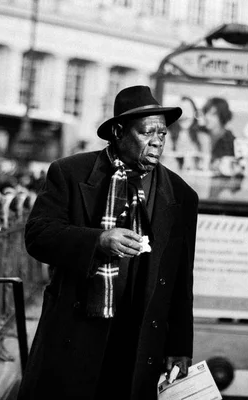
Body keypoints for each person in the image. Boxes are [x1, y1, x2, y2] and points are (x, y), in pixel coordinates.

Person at [18, 85, 199, 400]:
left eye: (163, 133)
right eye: (147, 133)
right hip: (77, 332)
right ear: (118, 131)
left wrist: (180, 347)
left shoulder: (182, 195)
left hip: (141, 338)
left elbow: (181, 279)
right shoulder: (71, 172)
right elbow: (38, 236)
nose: (158, 140)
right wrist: (98, 240)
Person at [168, 96, 205, 171]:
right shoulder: (167, 136)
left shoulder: (203, 138)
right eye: (182, 110)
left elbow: (205, 165)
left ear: (195, 113)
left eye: (188, 110)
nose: (185, 114)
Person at [202, 97, 235, 168]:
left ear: (222, 116)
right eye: (206, 112)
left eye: (213, 114)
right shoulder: (199, 134)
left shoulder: (231, 141)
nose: (207, 117)